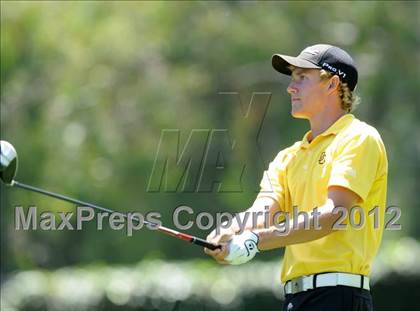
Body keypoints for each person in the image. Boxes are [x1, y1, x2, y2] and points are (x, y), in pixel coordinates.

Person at [205, 44, 388, 311]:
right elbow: (262, 211)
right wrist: (230, 230)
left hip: (339, 298)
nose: (291, 87)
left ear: (332, 84)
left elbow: (333, 214)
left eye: (302, 77)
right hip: (295, 300)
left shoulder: (359, 138)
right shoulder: (288, 156)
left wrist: (257, 239)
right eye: (293, 78)